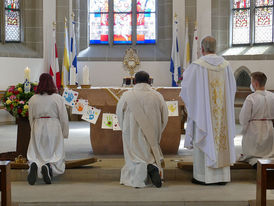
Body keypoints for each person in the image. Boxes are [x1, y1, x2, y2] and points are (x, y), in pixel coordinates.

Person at [180, 36, 236, 185]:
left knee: (204, 137)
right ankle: (221, 178)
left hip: (203, 114)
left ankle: (204, 177)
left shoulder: (197, 66)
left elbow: (187, 89)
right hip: (222, 114)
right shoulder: (226, 66)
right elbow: (232, 89)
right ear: (215, 48)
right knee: (221, 139)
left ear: (202, 49)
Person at [116, 71, 168, 188]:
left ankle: (139, 174)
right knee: (150, 151)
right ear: (149, 81)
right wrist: (157, 131)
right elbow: (165, 117)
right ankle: (151, 166)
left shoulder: (126, 96)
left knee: (135, 155)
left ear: (134, 81)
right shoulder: (157, 96)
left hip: (132, 133)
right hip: (152, 132)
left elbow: (119, 115)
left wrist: (125, 130)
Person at [27, 73, 69, 185]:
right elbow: (64, 117)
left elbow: (30, 117)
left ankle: (34, 165)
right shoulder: (57, 98)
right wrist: (64, 132)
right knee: (56, 153)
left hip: (37, 125)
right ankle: (49, 167)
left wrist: (33, 129)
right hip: (53, 125)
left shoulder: (33, 99)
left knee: (36, 152)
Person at [239, 72, 274, 167]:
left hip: (254, 130)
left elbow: (244, 118)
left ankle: (255, 163)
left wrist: (243, 130)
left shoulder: (251, 98)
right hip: (269, 128)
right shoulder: (272, 96)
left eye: (251, 82)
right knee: (268, 154)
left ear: (255, 83)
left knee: (253, 155)